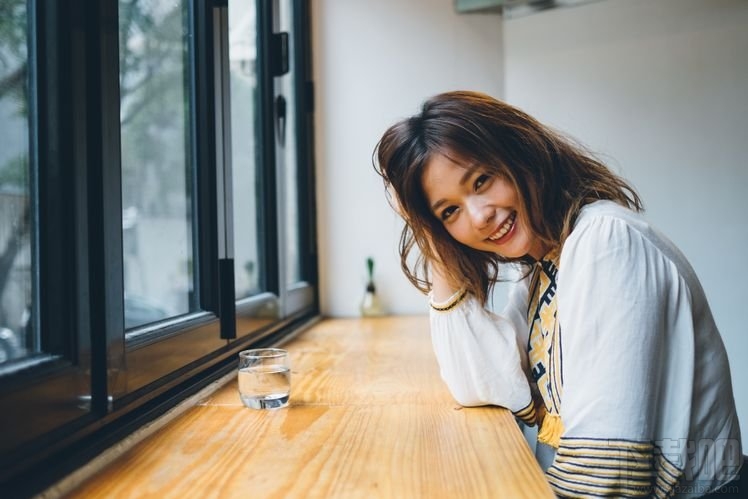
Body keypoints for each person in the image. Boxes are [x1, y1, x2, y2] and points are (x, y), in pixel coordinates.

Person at [373, 90, 743, 498]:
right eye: (450, 212)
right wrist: (430, 237)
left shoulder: (605, 242)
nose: (479, 217)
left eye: (482, 181)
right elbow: (482, 383)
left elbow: (607, 477)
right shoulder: (543, 267)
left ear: (520, 154)